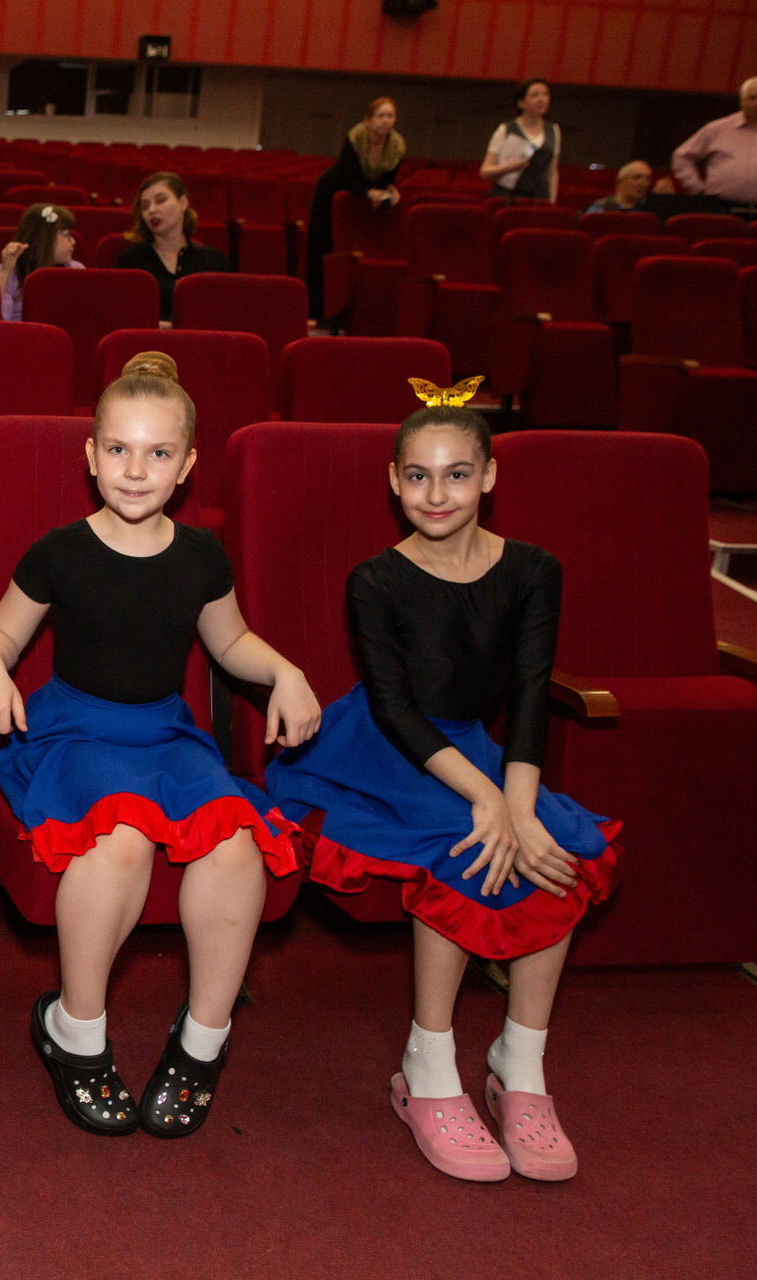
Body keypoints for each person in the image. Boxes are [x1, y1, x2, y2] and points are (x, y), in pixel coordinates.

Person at [266, 394, 621, 1183]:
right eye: (419, 476)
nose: (437, 493)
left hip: (476, 750)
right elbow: (394, 708)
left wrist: (517, 806)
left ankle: (520, 1063)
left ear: (489, 476)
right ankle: (426, 1065)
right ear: (394, 481)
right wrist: (487, 803)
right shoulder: (375, 580)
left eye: (457, 474)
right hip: (382, 746)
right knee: (463, 847)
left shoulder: (533, 569)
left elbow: (530, 692)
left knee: (557, 845)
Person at [0, 353, 319, 1139]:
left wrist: (285, 672)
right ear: (90, 457)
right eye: (119, 450)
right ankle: (75, 1030)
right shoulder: (60, 550)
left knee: (236, 843)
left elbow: (232, 644)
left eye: (158, 453)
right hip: (75, 733)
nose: (135, 469)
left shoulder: (200, 557)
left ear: (187, 466)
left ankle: (203, 1041)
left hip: (166, 734)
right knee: (120, 835)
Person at [306, 97, 405, 318]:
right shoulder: (356, 136)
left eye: (390, 116)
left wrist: (390, 192)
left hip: (362, 198)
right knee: (325, 248)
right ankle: (318, 310)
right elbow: (346, 174)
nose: (385, 120)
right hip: (334, 191)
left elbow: (388, 179)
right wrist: (368, 193)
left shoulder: (397, 145)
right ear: (369, 120)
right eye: (380, 116)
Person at [116, 173, 229, 322]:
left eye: (160, 200)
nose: (151, 210)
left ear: (183, 202)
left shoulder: (214, 260)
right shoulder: (130, 261)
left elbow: (226, 315)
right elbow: (122, 316)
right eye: (145, 206)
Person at [671, 77, 757, 206]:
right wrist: (697, 188)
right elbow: (681, 156)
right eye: (753, 97)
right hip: (720, 206)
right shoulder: (718, 128)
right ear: (742, 101)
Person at [0, 202, 82, 321]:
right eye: (66, 234)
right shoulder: (8, 271)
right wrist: (5, 271)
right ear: (45, 237)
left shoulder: (76, 269)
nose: (73, 241)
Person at [481, 79, 560, 203]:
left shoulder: (553, 129)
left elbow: (552, 172)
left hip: (539, 198)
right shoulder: (505, 129)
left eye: (545, 94)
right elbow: (485, 171)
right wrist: (508, 168)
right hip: (507, 198)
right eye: (535, 95)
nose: (542, 99)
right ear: (521, 103)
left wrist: (552, 201)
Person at [583, 161, 662, 213]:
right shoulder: (601, 208)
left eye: (648, 179)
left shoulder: (649, 211)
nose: (644, 183)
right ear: (621, 181)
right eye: (637, 177)